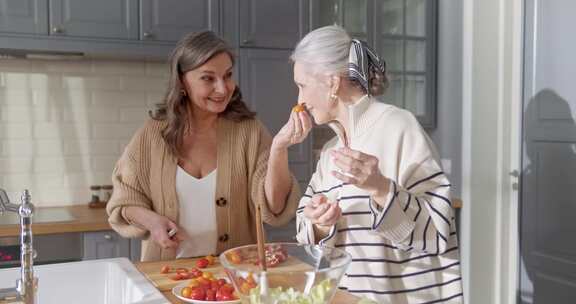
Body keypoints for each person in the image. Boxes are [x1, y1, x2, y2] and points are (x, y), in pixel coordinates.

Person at [291, 26, 463, 303]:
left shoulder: (399, 126)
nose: (299, 100)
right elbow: (305, 229)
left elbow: (439, 230)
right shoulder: (330, 151)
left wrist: (381, 188)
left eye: (302, 86)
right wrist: (320, 223)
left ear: (332, 82)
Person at [107, 31, 303, 261]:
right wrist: (152, 221)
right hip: (168, 275)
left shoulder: (249, 132)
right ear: (182, 81)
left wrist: (279, 149)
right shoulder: (152, 135)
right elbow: (124, 202)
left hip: (235, 280)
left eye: (228, 75)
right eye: (208, 78)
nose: (222, 88)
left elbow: (275, 208)